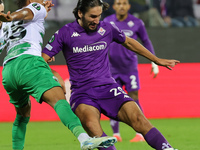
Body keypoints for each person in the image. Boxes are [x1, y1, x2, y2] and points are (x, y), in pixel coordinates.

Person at [42, 0, 179, 150]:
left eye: (99, 16)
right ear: (80, 13)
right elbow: (41, 60)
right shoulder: (64, 32)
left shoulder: (106, 28)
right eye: (92, 16)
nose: (96, 21)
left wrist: (156, 59)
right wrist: (55, 74)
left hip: (109, 88)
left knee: (139, 119)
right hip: (82, 94)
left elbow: (129, 42)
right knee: (98, 135)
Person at [0, 0, 117, 150]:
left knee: (23, 114)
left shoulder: (7, 27)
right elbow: (26, 13)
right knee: (59, 100)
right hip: (29, 63)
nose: (45, 1)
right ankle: (84, 139)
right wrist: (13, 16)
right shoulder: (35, 7)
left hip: (8, 71)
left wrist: (8, 21)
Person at [103, 0, 159, 143]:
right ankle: (116, 134)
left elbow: (146, 41)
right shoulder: (107, 21)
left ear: (129, 6)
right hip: (111, 69)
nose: (121, 6)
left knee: (134, 98)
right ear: (114, 6)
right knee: (112, 99)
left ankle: (140, 133)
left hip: (130, 68)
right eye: (118, 3)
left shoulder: (137, 23)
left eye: (124, 3)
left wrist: (153, 61)